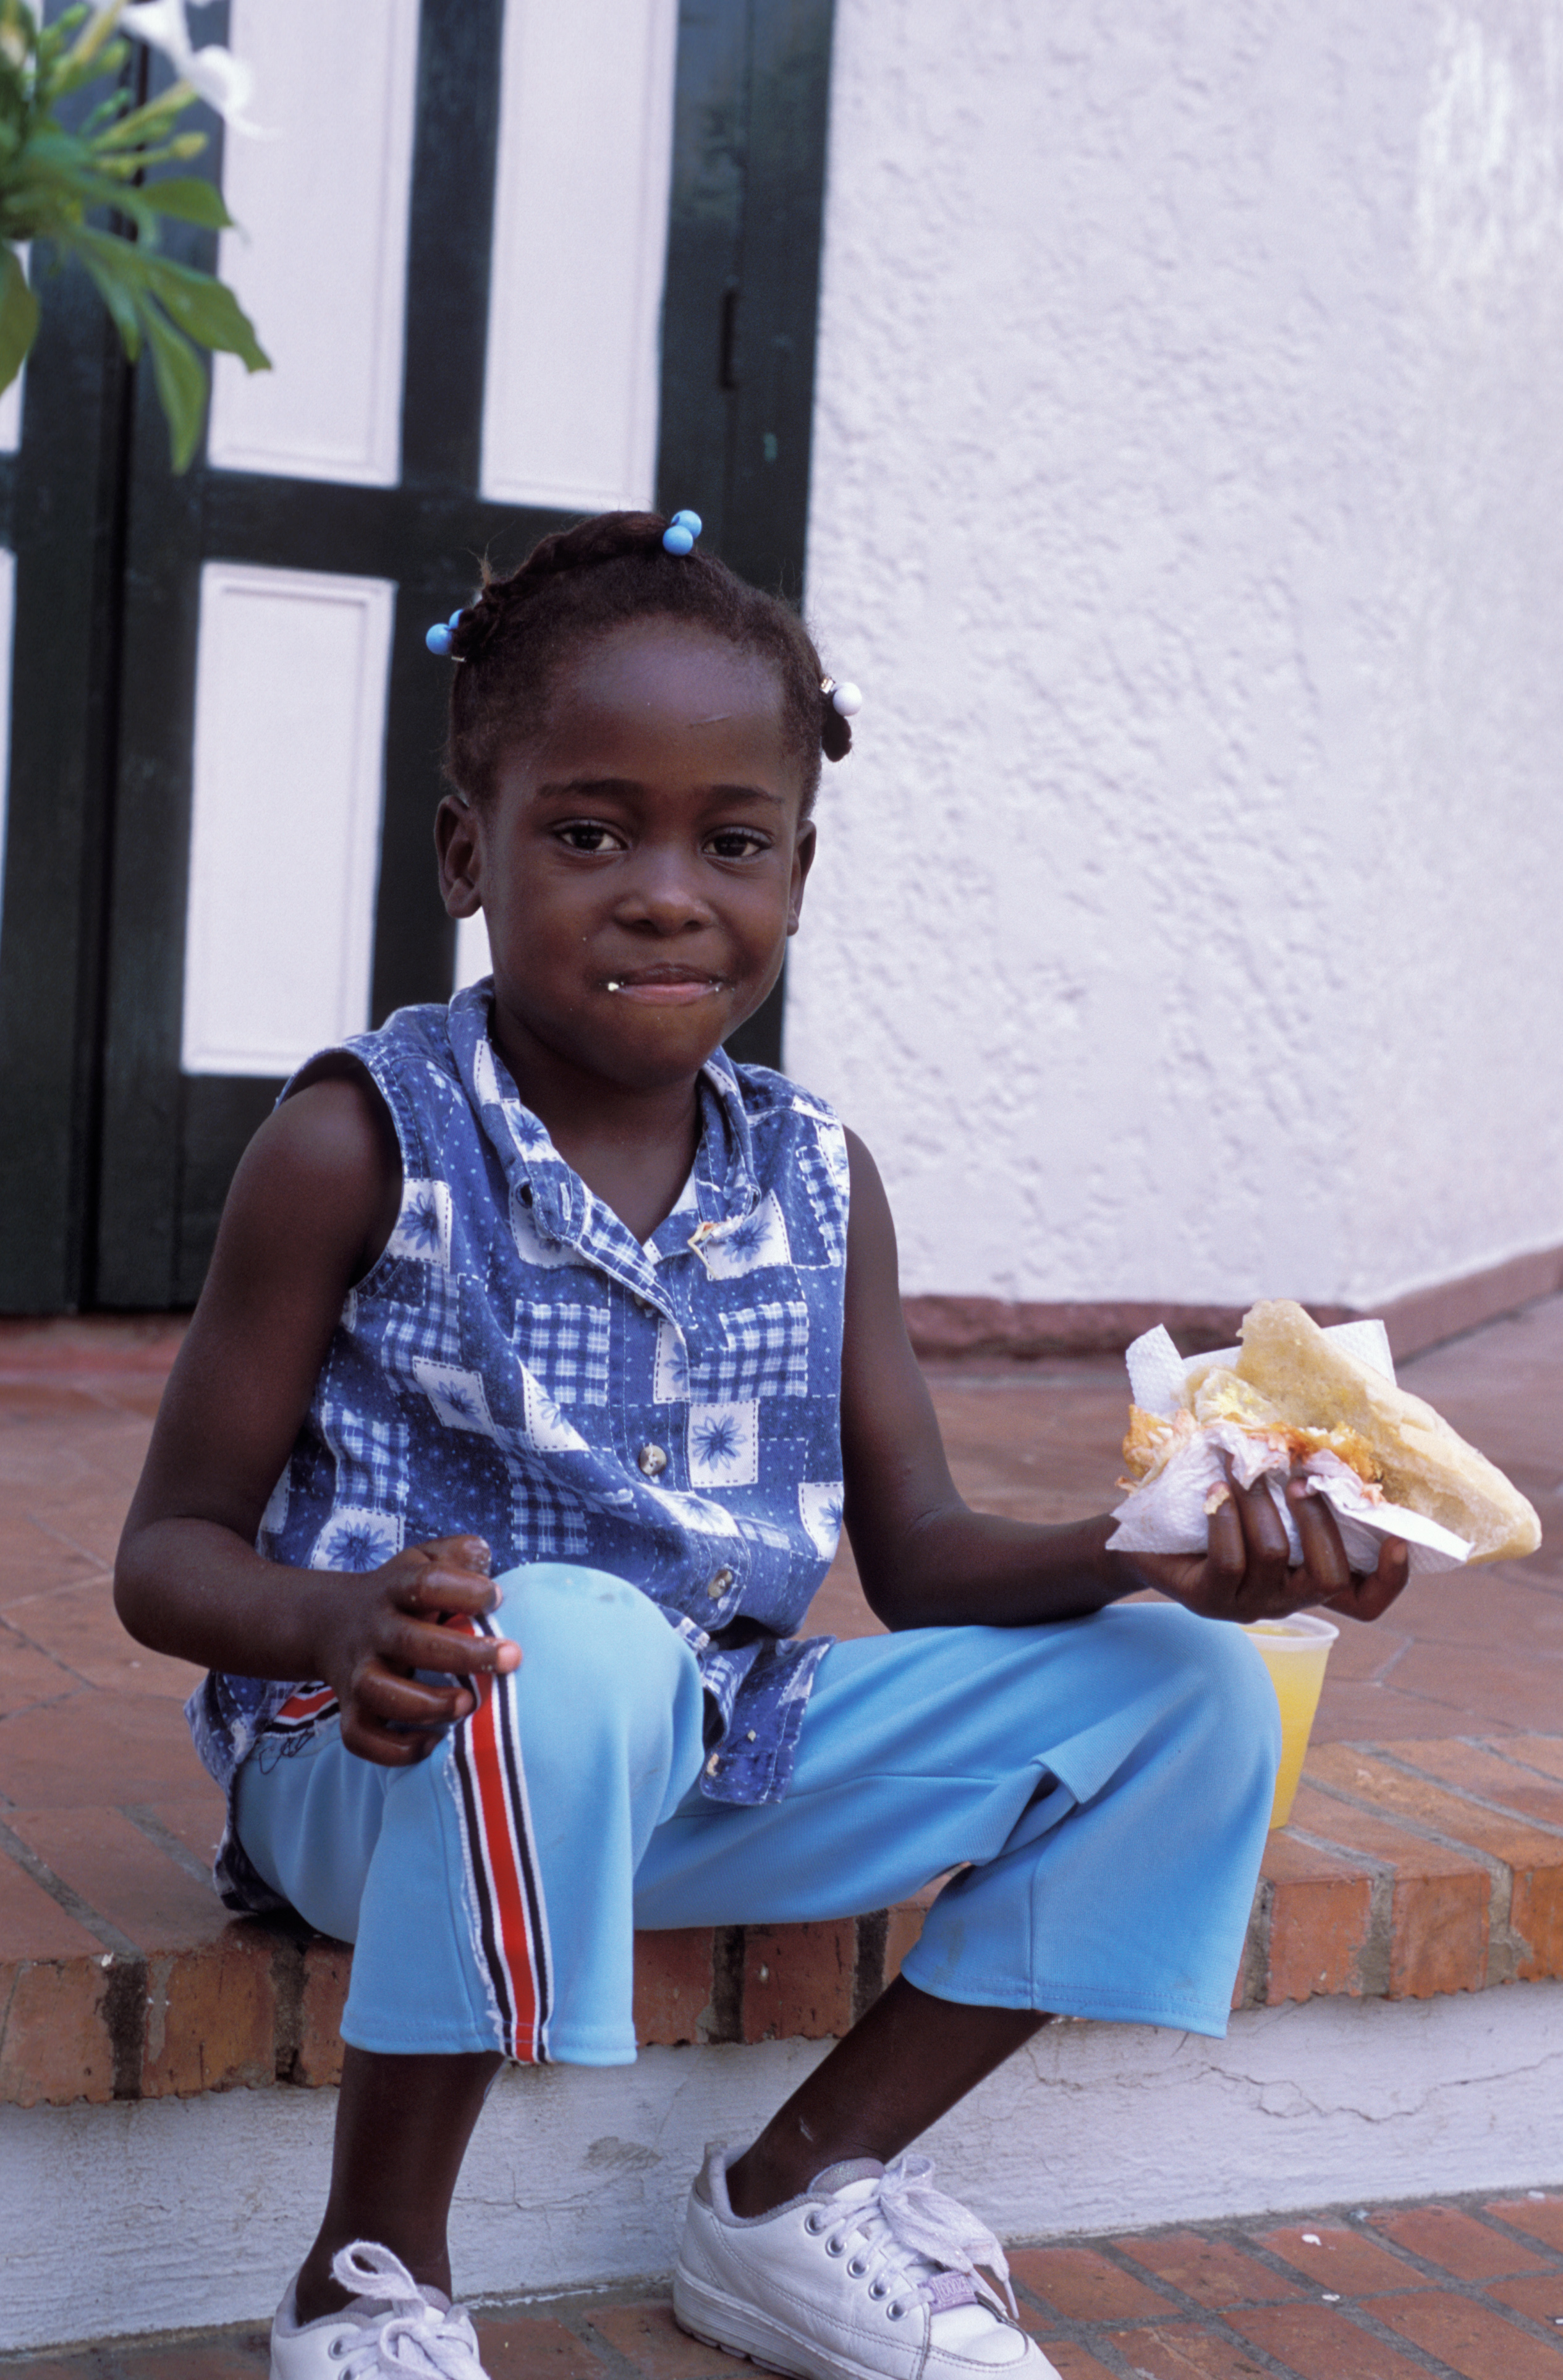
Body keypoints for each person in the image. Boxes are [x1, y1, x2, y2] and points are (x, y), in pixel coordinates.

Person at [114, 511, 1409, 2380]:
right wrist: (327, 1626)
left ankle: (798, 2193)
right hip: (380, 1777)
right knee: (570, 1638)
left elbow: (933, 1553)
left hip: (701, 1758)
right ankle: (368, 2272)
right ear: (467, 851)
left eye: (729, 841)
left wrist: (1164, 1547)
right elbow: (165, 1555)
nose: (663, 890)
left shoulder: (818, 1173)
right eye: (588, 831)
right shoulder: (360, 1139)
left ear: (797, 871)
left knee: (1190, 1690)